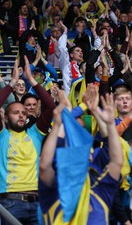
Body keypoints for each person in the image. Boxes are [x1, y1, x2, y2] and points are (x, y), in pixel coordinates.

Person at [39, 93, 123, 224]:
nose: (85, 156)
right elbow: (45, 165)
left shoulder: (100, 192)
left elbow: (117, 161)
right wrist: (58, 125)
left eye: (88, 153)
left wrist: (110, 124)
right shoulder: (54, 193)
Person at [0, 59, 55, 224]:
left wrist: (32, 80)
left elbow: (49, 106)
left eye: (23, 113)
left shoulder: (35, 134)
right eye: (15, 112)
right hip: (10, 202)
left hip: (37, 201)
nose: (21, 115)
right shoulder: (0, 136)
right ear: (5, 117)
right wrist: (12, 83)